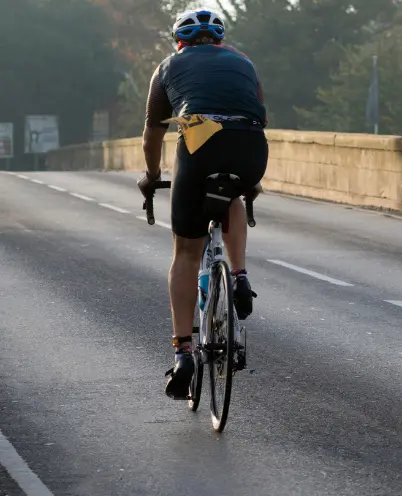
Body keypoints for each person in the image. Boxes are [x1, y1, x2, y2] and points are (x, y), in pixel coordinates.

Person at [137, 9, 268, 400]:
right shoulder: (245, 63)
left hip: (199, 142)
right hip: (251, 146)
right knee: (235, 193)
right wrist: (253, 181)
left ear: (179, 41)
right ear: (219, 41)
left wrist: (150, 175)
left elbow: (152, 134)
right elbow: (255, 114)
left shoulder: (166, 67)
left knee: (186, 252)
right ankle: (241, 275)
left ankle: (183, 352)